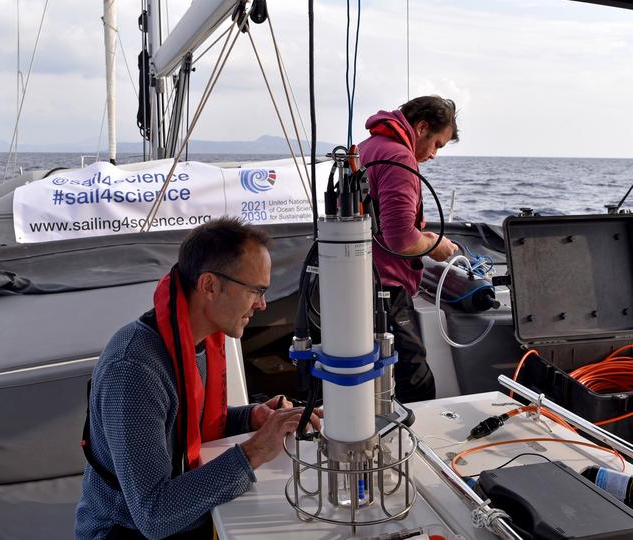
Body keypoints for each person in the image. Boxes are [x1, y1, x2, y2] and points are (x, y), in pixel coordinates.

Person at [75, 217, 308, 539]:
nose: (262, 304)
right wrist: (256, 450)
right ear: (209, 285)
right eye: (256, 290)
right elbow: (154, 514)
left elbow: (184, 426)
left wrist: (253, 418)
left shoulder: (196, 341)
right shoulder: (134, 370)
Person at [358, 95, 459, 403]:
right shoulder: (398, 158)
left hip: (356, 285)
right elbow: (402, 240)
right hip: (384, 291)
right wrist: (435, 244)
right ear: (422, 127)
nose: (433, 155)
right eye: (437, 144)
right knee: (416, 384)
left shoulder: (367, 147)